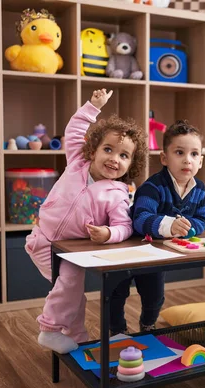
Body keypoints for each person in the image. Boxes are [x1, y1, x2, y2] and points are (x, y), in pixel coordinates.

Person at [25, 88, 148, 354]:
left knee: (71, 290)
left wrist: (108, 233)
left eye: (124, 155)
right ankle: (49, 330)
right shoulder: (77, 162)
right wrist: (93, 106)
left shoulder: (118, 194)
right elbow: (74, 129)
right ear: (93, 150)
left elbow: (124, 227)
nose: (114, 159)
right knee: (68, 289)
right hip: (42, 239)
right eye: (108, 149)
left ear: (131, 164)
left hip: (73, 251)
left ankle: (77, 335)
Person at [109, 119, 205, 335]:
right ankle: (116, 330)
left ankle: (147, 325)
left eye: (194, 154)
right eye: (179, 153)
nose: (187, 161)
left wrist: (190, 228)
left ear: (200, 160)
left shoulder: (199, 188)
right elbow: (141, 218)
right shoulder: (153, 187)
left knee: (154, 295)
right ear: (164, 158)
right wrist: (170, 226)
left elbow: (202, 219)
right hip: (129, 248)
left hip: (155, 254)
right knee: (116, 293)